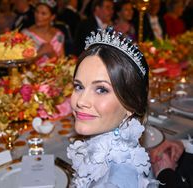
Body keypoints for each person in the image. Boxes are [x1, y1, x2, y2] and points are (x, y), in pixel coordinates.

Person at [67, 27, 159, 187]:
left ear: (130, 104)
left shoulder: (116, 180)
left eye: (101, 89)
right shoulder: (111, 152)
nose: (81, 101)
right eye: (79, 86)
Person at [22, 0, 65, 66]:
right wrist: (40, 53)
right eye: (37, 12)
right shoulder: (25, 35)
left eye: (43, 13)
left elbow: (63, 62)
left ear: (52, 17)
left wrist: (52, 53)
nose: (38, 16)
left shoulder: (59, 35)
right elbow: (22, 63)